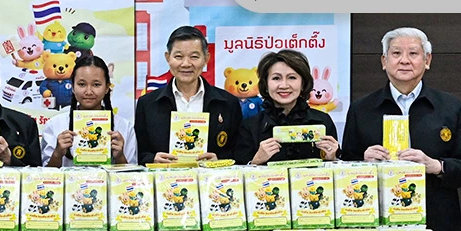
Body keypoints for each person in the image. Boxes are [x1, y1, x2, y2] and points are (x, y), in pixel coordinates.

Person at [341, 27, 461, 231]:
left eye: (413, 53)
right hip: (376, 228)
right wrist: (363, 162)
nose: (404, 60)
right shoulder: (361, 109)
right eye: (396, 53)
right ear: (384, 61)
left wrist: (437, 166)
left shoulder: (451, 107)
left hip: (435, 226)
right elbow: (345, 165)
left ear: (427, 60)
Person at [134, 26, 242, 164]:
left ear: (206, 58)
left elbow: (239, 152)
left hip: (211, 177)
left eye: (194, 57)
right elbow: (138, 153)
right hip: (164, 176)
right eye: (178, 57)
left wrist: (219, 160)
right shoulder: (147, 104)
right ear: (168, 58)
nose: (186, 64)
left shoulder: (228, 103)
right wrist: (152, 159)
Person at [234, 50, 340, 165]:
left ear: (303, 83)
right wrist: (256, 161)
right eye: (276, 78)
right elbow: (238, 171)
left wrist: (333, 158)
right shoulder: (250, 126)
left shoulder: (323, 121)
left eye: (292, 78)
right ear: (265, 84)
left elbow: (337, 171)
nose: (284, 85)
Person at [41, 55, 136, 167]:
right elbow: (44, 175)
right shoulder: (55, 125)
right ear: (73, 87)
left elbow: (134, 174)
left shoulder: (125, 127)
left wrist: (120, 156)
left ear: (107, 88)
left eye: (96, 85)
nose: (89, 91)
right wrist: (57, 154)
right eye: (82, 84)